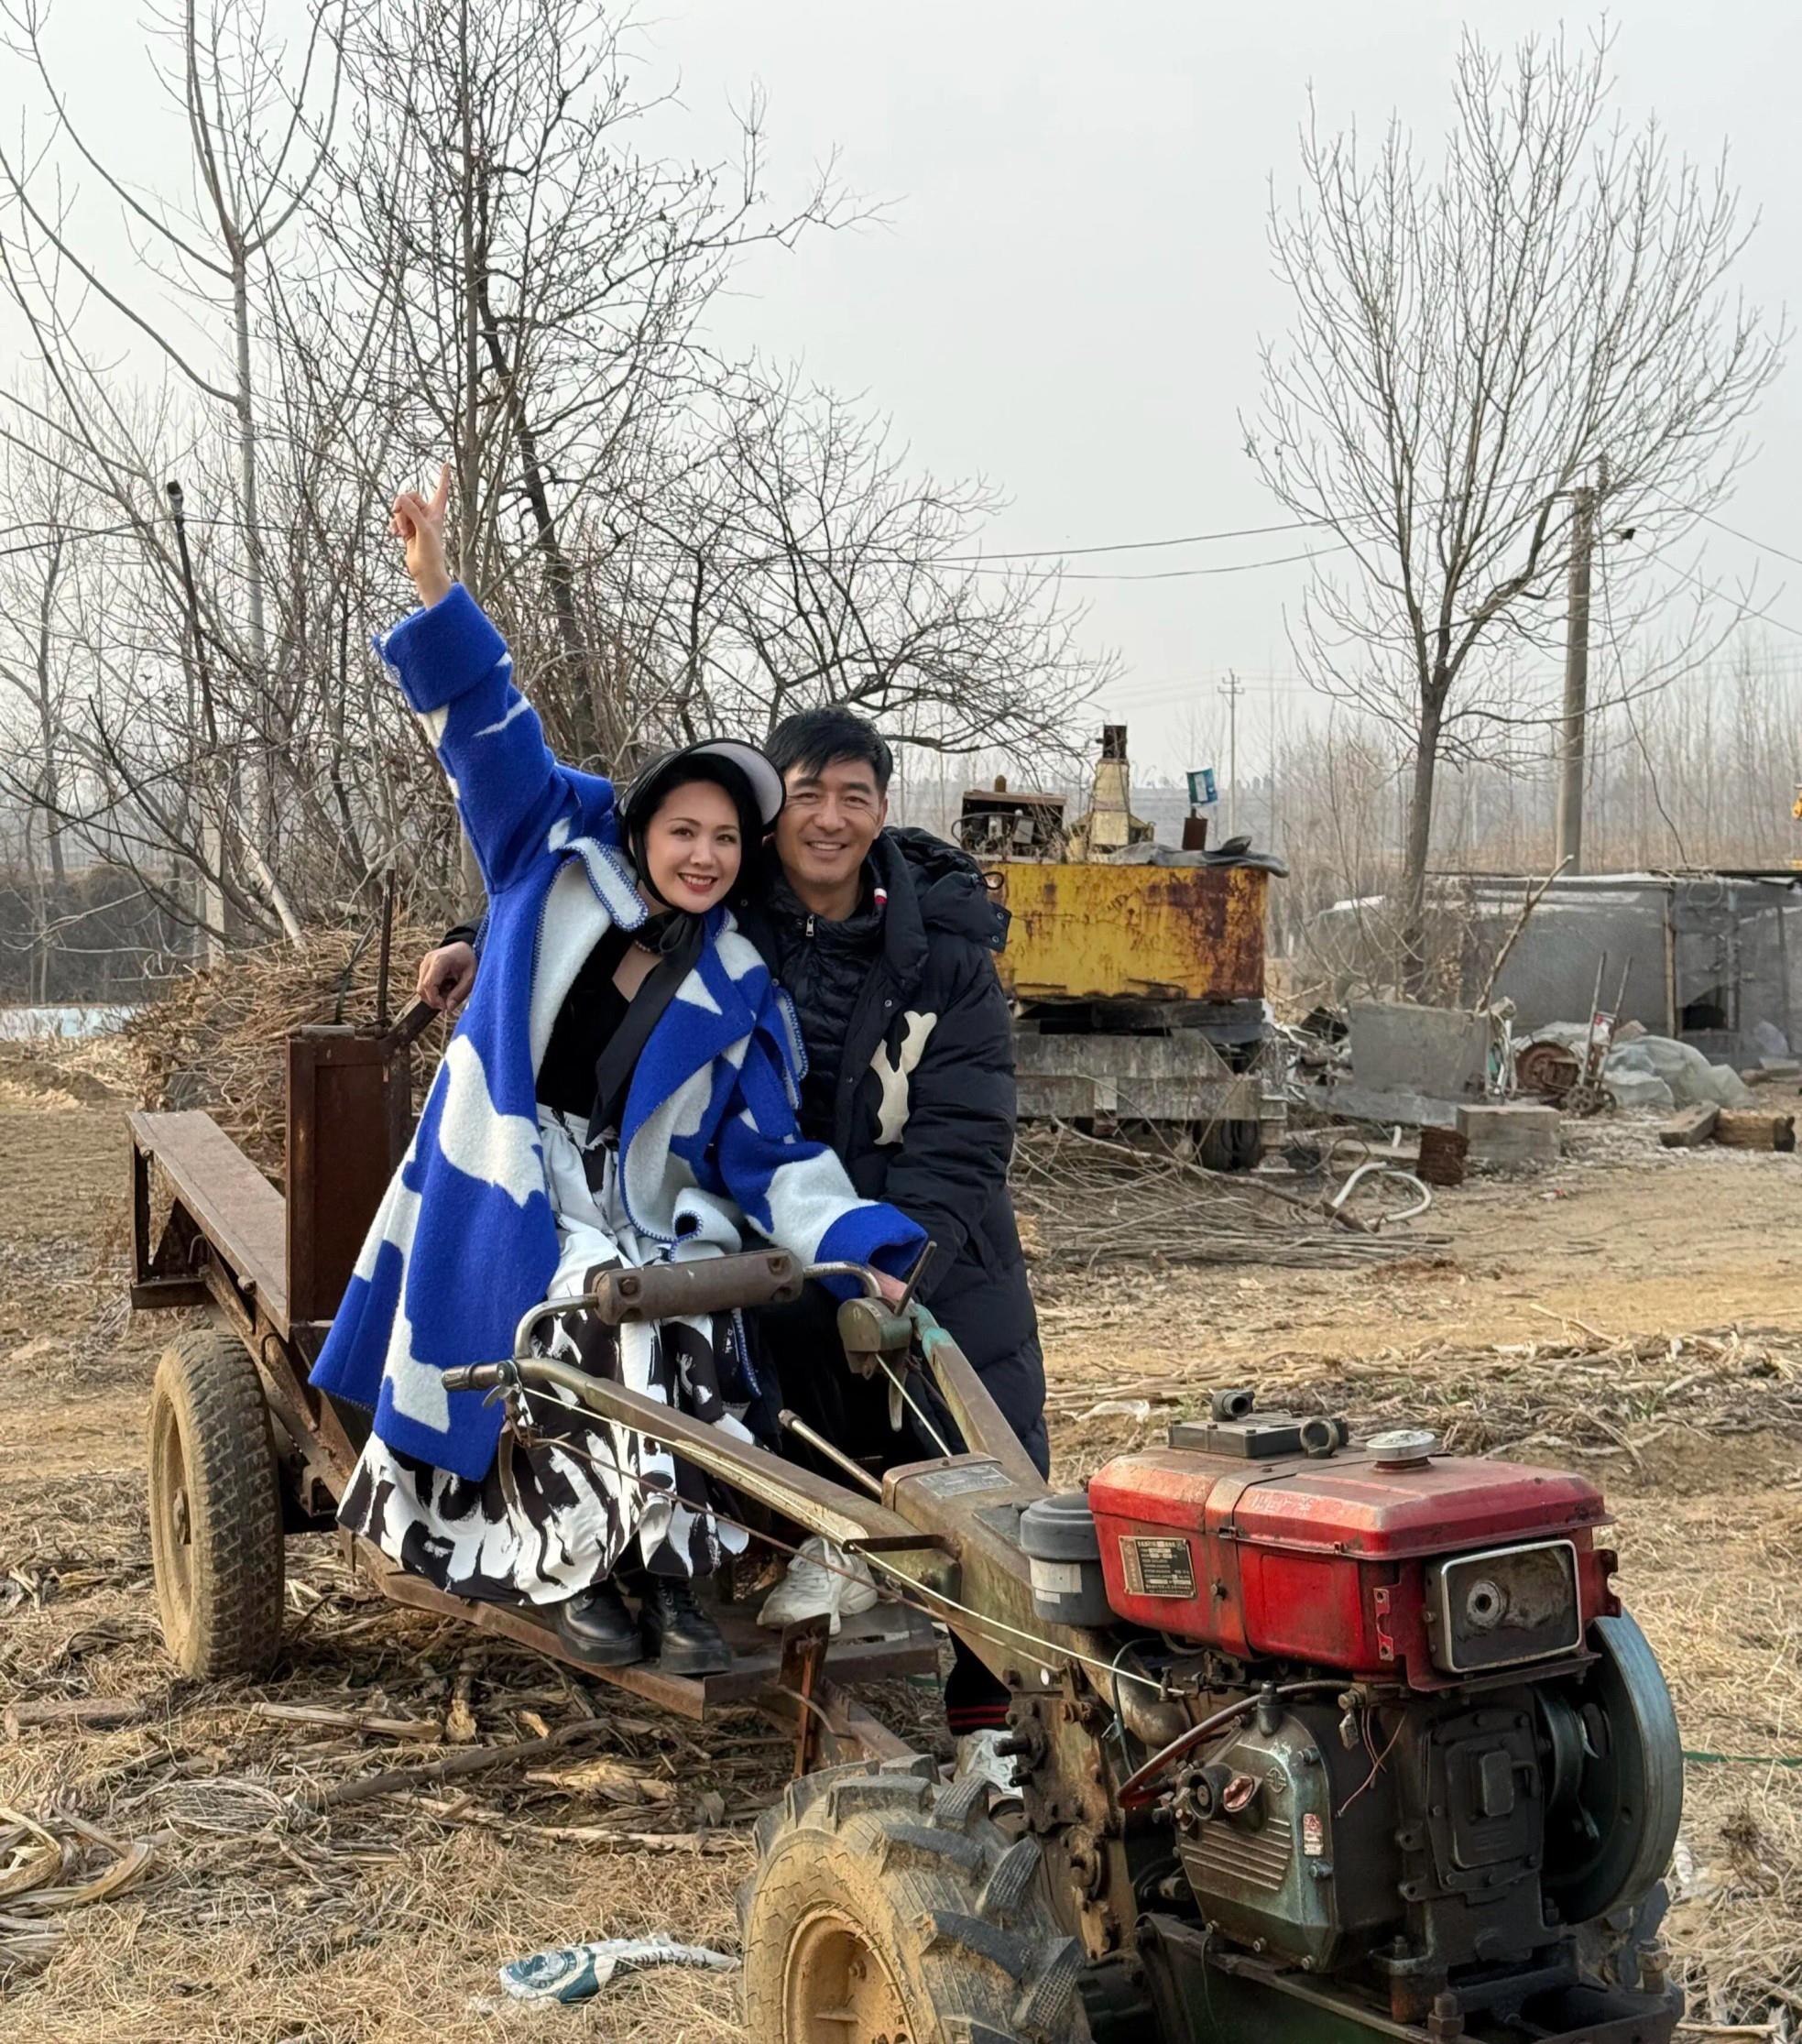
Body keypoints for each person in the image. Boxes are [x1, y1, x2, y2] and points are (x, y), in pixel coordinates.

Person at [316, 467, 923, 1679]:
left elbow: (766, 1149)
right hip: (515, 1169)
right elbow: (490, 728)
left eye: (722, 838)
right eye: (680, 829)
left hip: (639, 1196)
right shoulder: (546, 858)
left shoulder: (736, 976)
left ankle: (674, 1571)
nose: (701, 854)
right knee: (592, 1316)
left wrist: (862, 1238)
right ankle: (584, 1566)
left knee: (687, 1308)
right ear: (640, 827)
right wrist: (436, 587)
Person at [417, 704, 1047, 1779]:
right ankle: (698, 1555)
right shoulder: (734, 906)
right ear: (774, 813)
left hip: (919, 1236)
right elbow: (600, 909)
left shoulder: (945, 955)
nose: (829, 818)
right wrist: (485, 943)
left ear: (883, 810)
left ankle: (997, 1722)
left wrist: (888, 1258)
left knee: (989, 1464)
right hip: (764, 1221)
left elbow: (960, 1139)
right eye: (807, 794)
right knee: (743, 1369)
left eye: (854, 796)